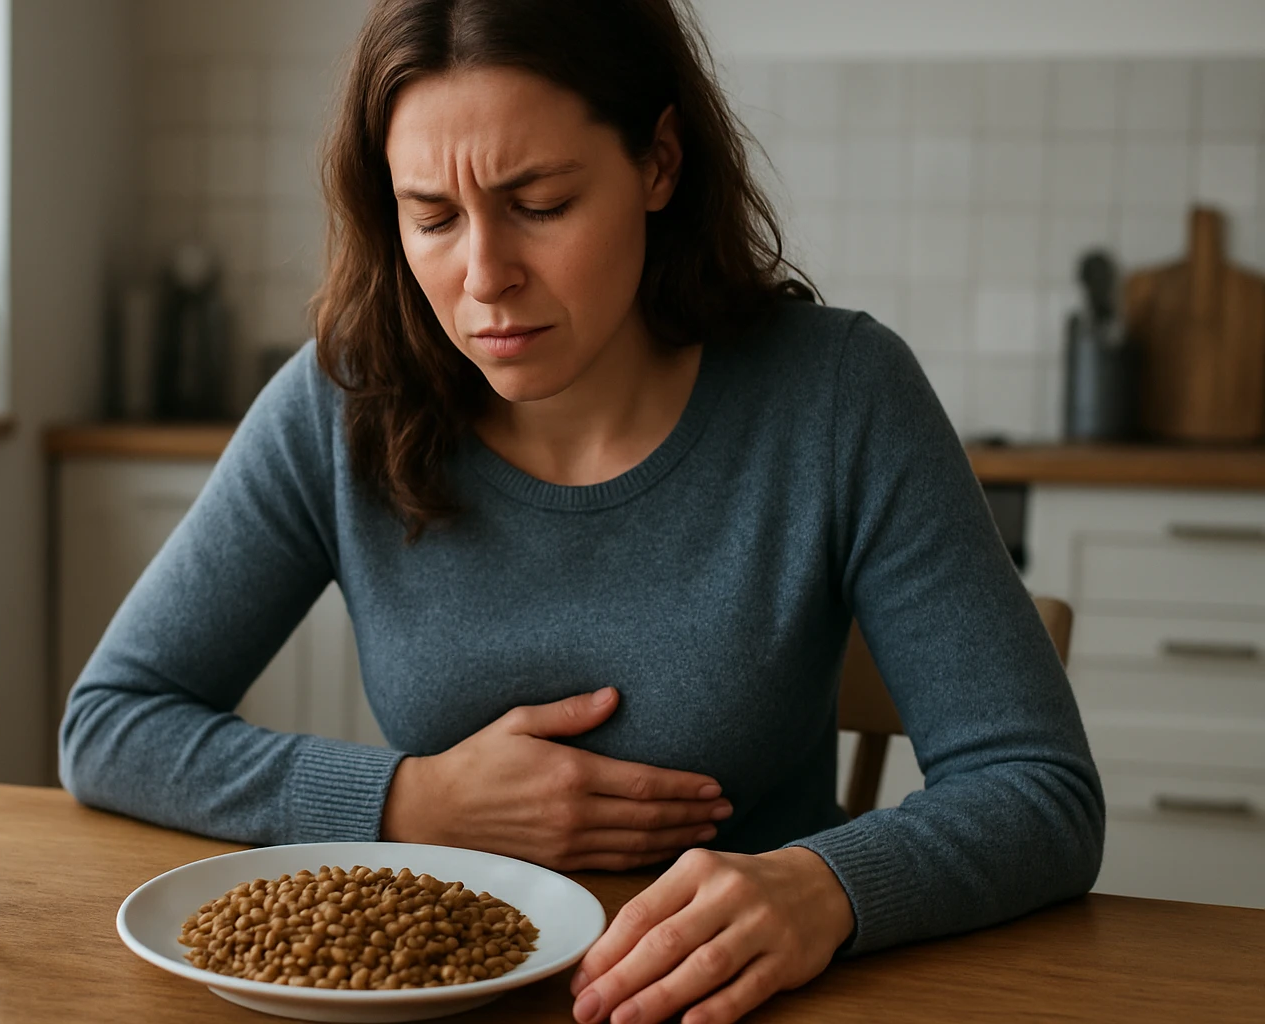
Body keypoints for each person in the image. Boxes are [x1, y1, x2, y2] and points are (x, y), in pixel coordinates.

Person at [59, 1, 1105, 1021]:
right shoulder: (341, 402)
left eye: (541, 204)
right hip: (438, 992)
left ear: (658, 161)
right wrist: (408, 800)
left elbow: (1038, 789)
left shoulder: (840, 395)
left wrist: (824, 887)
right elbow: (111, 724)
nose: (484, 278)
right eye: (431, 216)